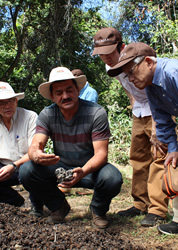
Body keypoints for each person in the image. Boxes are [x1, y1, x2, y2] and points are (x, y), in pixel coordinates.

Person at [19, 66, 123, 229]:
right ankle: (58, 206)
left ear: (77, 90)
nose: (65, 96)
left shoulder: (96, 112)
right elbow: (35, 146)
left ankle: (98, 210)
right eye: (59, 93)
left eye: (69, 90)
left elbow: (101, 154)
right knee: (27, 171)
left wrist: (83, 171)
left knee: (112, 178)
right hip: (61, 167)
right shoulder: (47, 114)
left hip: (91, 168)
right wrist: (37, 155)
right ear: (52, 97)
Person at [108, 42, 178, 236]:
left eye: (131, 72)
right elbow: (163, 120)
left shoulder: (175, 72)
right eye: (126, 76)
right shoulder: (151, 87)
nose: (130, 79)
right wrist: (172, 148)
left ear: (148, 61)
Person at [92, 27, 168, 227]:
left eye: (110, 52)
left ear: (122, 47)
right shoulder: (110, 68)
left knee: (159, 156)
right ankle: (140, 203)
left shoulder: (139, 58)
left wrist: (158, 123)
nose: (106, 58)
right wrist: (133, 102)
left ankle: (157, 209)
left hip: (158, 110)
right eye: (101, 55)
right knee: (138, 158)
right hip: (139, 112)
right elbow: (127, 87)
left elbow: (156, 86)